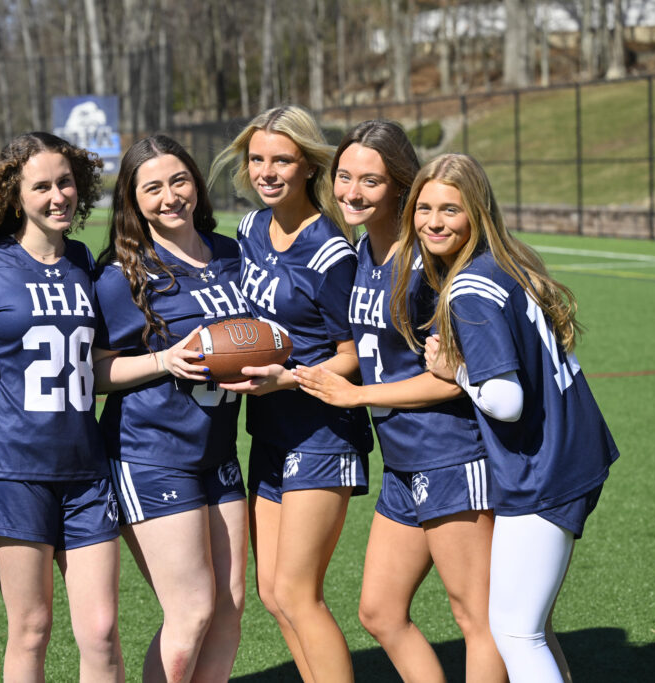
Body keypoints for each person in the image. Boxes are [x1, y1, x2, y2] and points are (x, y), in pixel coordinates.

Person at [292, 121, 507, 682]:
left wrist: (357, 394)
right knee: (380, 612)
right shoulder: (364, 251)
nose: (352, 192)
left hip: (451, 454)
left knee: (477, 617)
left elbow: (451, 380)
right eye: (344, 177)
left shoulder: (427, 262)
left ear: (400, 185)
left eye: (371, 180)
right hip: (402, 460)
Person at [393, 152, 619, 683]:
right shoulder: (506, 262)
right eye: (424, 208)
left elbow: (507, 400)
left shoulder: (468, 288)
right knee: (527, 627)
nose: (433, 222)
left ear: (476, 212)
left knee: (517, 633)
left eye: (450, 209)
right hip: (573, 450)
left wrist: (456, 372)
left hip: (543, 467)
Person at [0, 132, 124, 682]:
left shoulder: (83, 261)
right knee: (31, 629)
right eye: (42, 186)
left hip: (86, 470)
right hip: (12, 470)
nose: (58, 196)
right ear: (14, 195)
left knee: (102, 631)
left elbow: (94, 366)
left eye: (66, 182)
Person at [208, 105, 371, 683]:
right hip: (271, 431)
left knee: (300, 593)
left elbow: (355, 356)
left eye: (282, 159)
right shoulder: (251, 229)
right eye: (257, 159)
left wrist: (289, 378)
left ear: (308, 166)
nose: (267, 171)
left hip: (322, 433)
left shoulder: (331, 252)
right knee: (274, 595)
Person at [93, 135, 249, 682]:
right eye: (152, 188)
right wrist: (164, 361)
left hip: (219, 450)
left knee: (230, 605)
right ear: (133, 201)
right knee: (192, 610)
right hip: (153, 452)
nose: (170, 197)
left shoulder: (230, 254)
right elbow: (95, 371)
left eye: (179, 180)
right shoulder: (122, 274)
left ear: (196, 184)